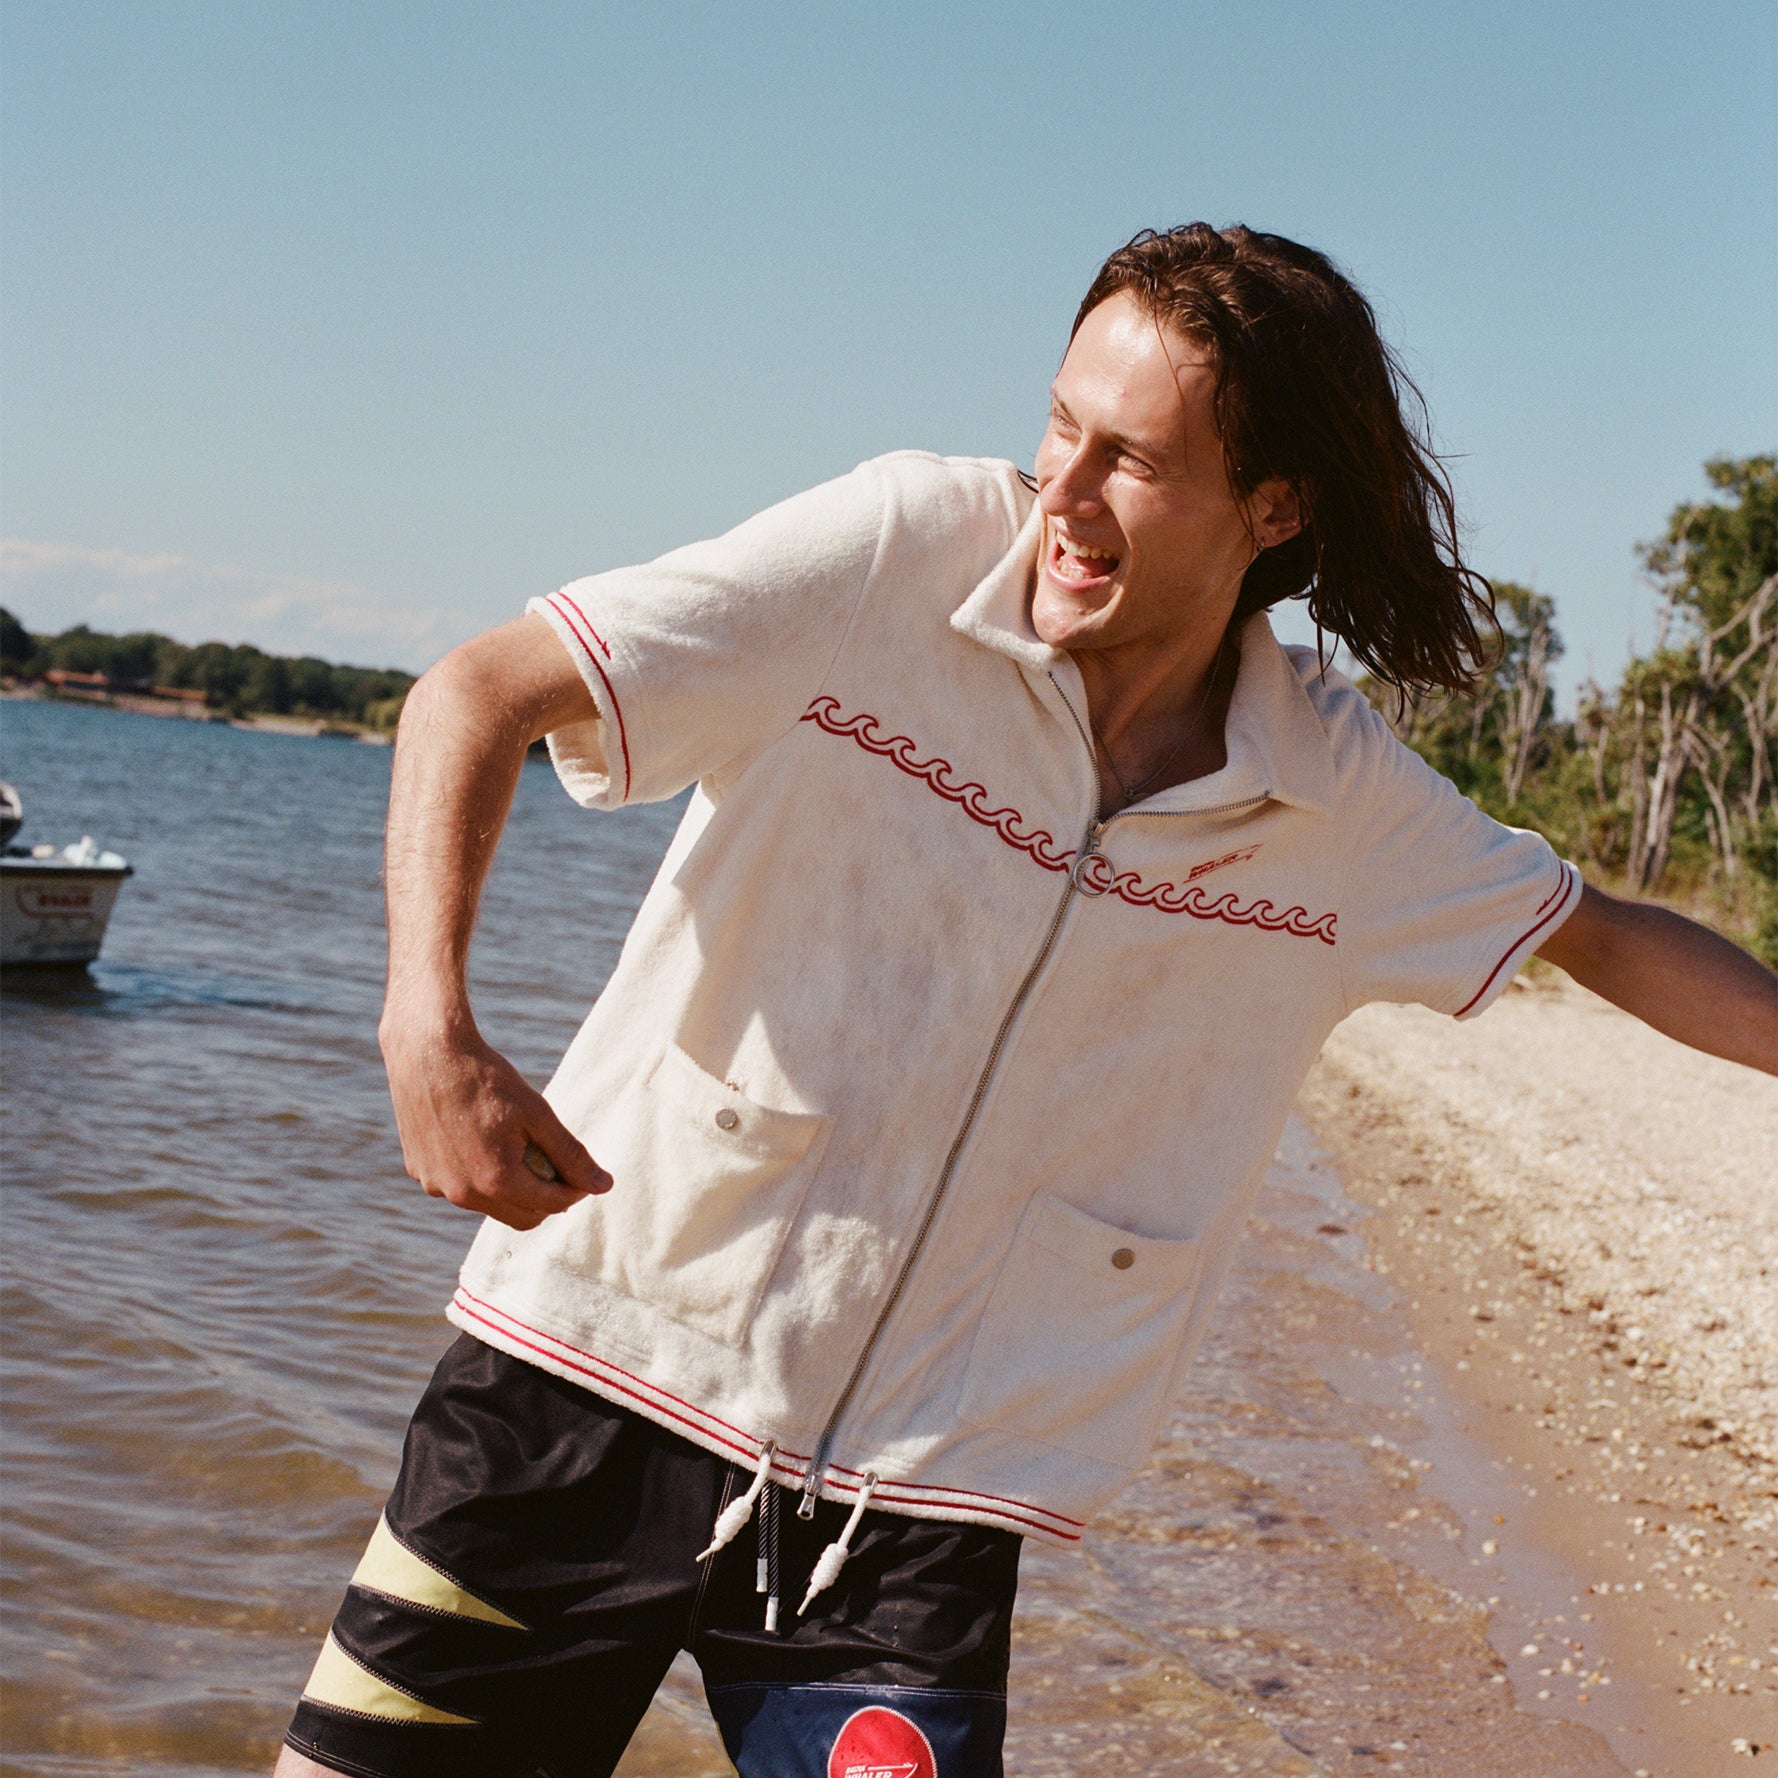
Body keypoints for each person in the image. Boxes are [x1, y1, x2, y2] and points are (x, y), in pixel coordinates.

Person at [274, 224, 1777, 1778]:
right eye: (1059, 423)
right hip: (579, 1398)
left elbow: (1595, 932)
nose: (1059, 490)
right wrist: (424, 1021)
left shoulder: (1334, 802)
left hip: (909, 1517)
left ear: (1274, 507)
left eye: (1130, 458)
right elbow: (481, 688)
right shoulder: (892, 559)